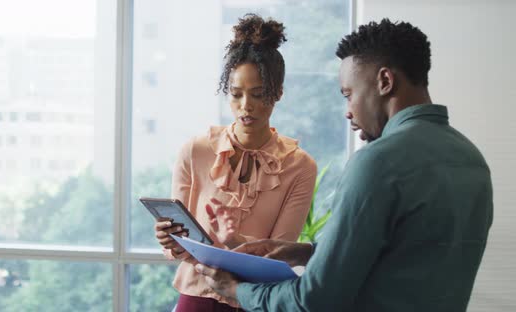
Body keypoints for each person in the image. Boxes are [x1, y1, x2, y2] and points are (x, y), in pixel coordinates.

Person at [194, 18, 494, 312]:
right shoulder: (472, 160)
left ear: (385, 82)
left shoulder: (378, 161)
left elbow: (314, 300)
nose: (348, 112)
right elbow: (406, 259)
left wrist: (237, 291)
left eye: (349, 95)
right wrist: (307, 252)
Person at [153, 14, 318, 311]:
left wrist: (234, 241)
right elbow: (183, 245)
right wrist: (170, 239)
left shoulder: (300, 167)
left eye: (258, 94)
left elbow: (279, 255)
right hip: (197, 297)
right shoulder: (195, 151)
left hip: (255, 300)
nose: (246, 106)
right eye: (236, 94)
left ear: (278, 93)